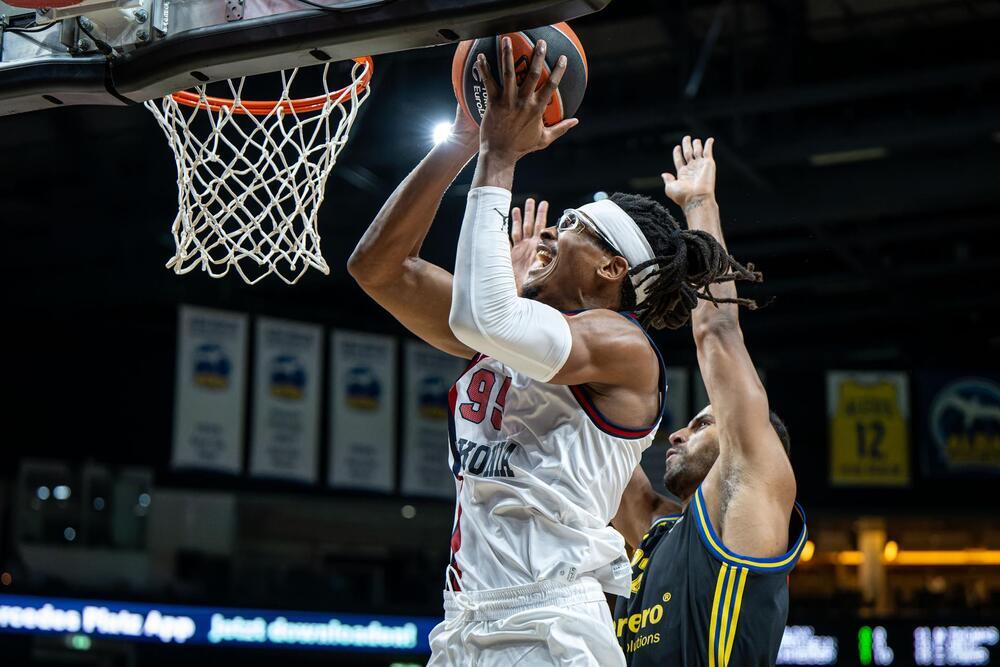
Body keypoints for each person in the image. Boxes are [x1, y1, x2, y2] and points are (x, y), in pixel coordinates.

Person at [349, 38, 757, 665]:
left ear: (611, 267)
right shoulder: (500, 324)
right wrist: (462, 140)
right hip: (464, 619)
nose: (544, 235)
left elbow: (487, 315)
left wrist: (499, 154)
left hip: (550, 622)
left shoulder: (622, 346)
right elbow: (377, 267)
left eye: (570, 226)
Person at [610, 136, 807, 666]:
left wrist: (700, 206)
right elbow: (591, 438)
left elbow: (717, 332)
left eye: (701, 424)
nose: (676, 433)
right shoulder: (659, 534)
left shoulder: (749, 482)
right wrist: (527, 304)